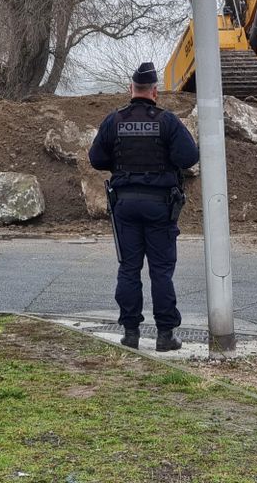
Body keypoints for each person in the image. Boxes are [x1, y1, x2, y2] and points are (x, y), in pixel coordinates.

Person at [89, 62, 199, 352]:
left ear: (131, 89)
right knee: (161, 272)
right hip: (160, 206)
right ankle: (165, 335)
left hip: (125, 205)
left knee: (128, 268)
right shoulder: (167, 121)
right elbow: (189, 156)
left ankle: (130, 333)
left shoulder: (115, 121)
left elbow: (96, 159)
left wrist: (120, 162)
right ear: (155, 92)